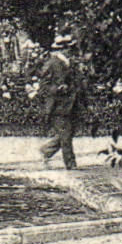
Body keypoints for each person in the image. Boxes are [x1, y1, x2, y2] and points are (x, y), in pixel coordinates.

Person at [38, 31, 85, 169]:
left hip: (72, 104)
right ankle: (71, 165)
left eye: (71, 48)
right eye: (68, 48)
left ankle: (46, 150)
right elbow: (43, 86)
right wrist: (57, 88)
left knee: (69, 133)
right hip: (58, 105)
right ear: (61, 49)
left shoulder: (71, 63)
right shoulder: (52, 64)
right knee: (65, 135)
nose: (70, 50)